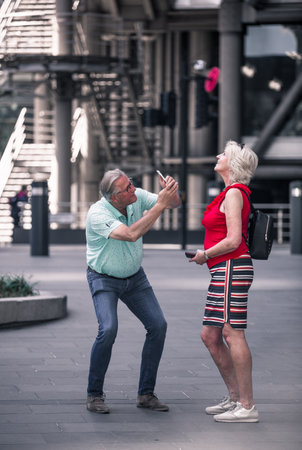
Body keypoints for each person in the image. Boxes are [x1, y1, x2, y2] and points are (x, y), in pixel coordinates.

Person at [86, 168, 181, 414]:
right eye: (127, 188)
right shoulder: (98, 213)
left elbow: (173, 204)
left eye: (131, 184)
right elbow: (131, 234)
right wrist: (159, 204)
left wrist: (171, 191)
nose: (133, 189)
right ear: (113, 197)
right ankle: (94, 395)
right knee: (107, 329)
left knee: (158, 326)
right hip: (104, 278)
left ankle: (146, 394)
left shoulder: (134, 195)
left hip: (135, 277)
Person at [188, 140, 259, 423]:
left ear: (233, 163)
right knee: (211, 336)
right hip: (223, 270)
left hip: (231, 267)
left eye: (223, 154)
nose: (218, 156)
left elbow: (232, 240)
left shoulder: (234, 194)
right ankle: (235, 398)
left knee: (232, 333)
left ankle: (247, 406)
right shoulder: (228, 192)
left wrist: (205, 254)